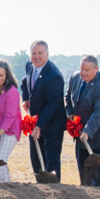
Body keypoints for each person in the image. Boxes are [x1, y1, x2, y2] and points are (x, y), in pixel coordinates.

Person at [65, 55, 100, 186]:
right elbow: (68, 96)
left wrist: (88, 131)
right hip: (81, 135)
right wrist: (71, 115)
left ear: (96, 69)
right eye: (81, 69)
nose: (83, 73)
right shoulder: (74, 78)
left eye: (87, 70)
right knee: (85, 175)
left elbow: (98, 114)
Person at [21, 41, 66, 181]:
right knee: (36, 159)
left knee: (51, 161)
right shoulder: (29, 65)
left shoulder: (54, 76)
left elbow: (53, 105)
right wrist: (25, 98)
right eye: (34, 53)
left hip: (52, 124)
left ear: (47, 54)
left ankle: (54, 191)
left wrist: (39, 125)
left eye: (40, 53)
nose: (36, 56)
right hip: (35, 121)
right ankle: (40, 192)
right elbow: (24, 82)